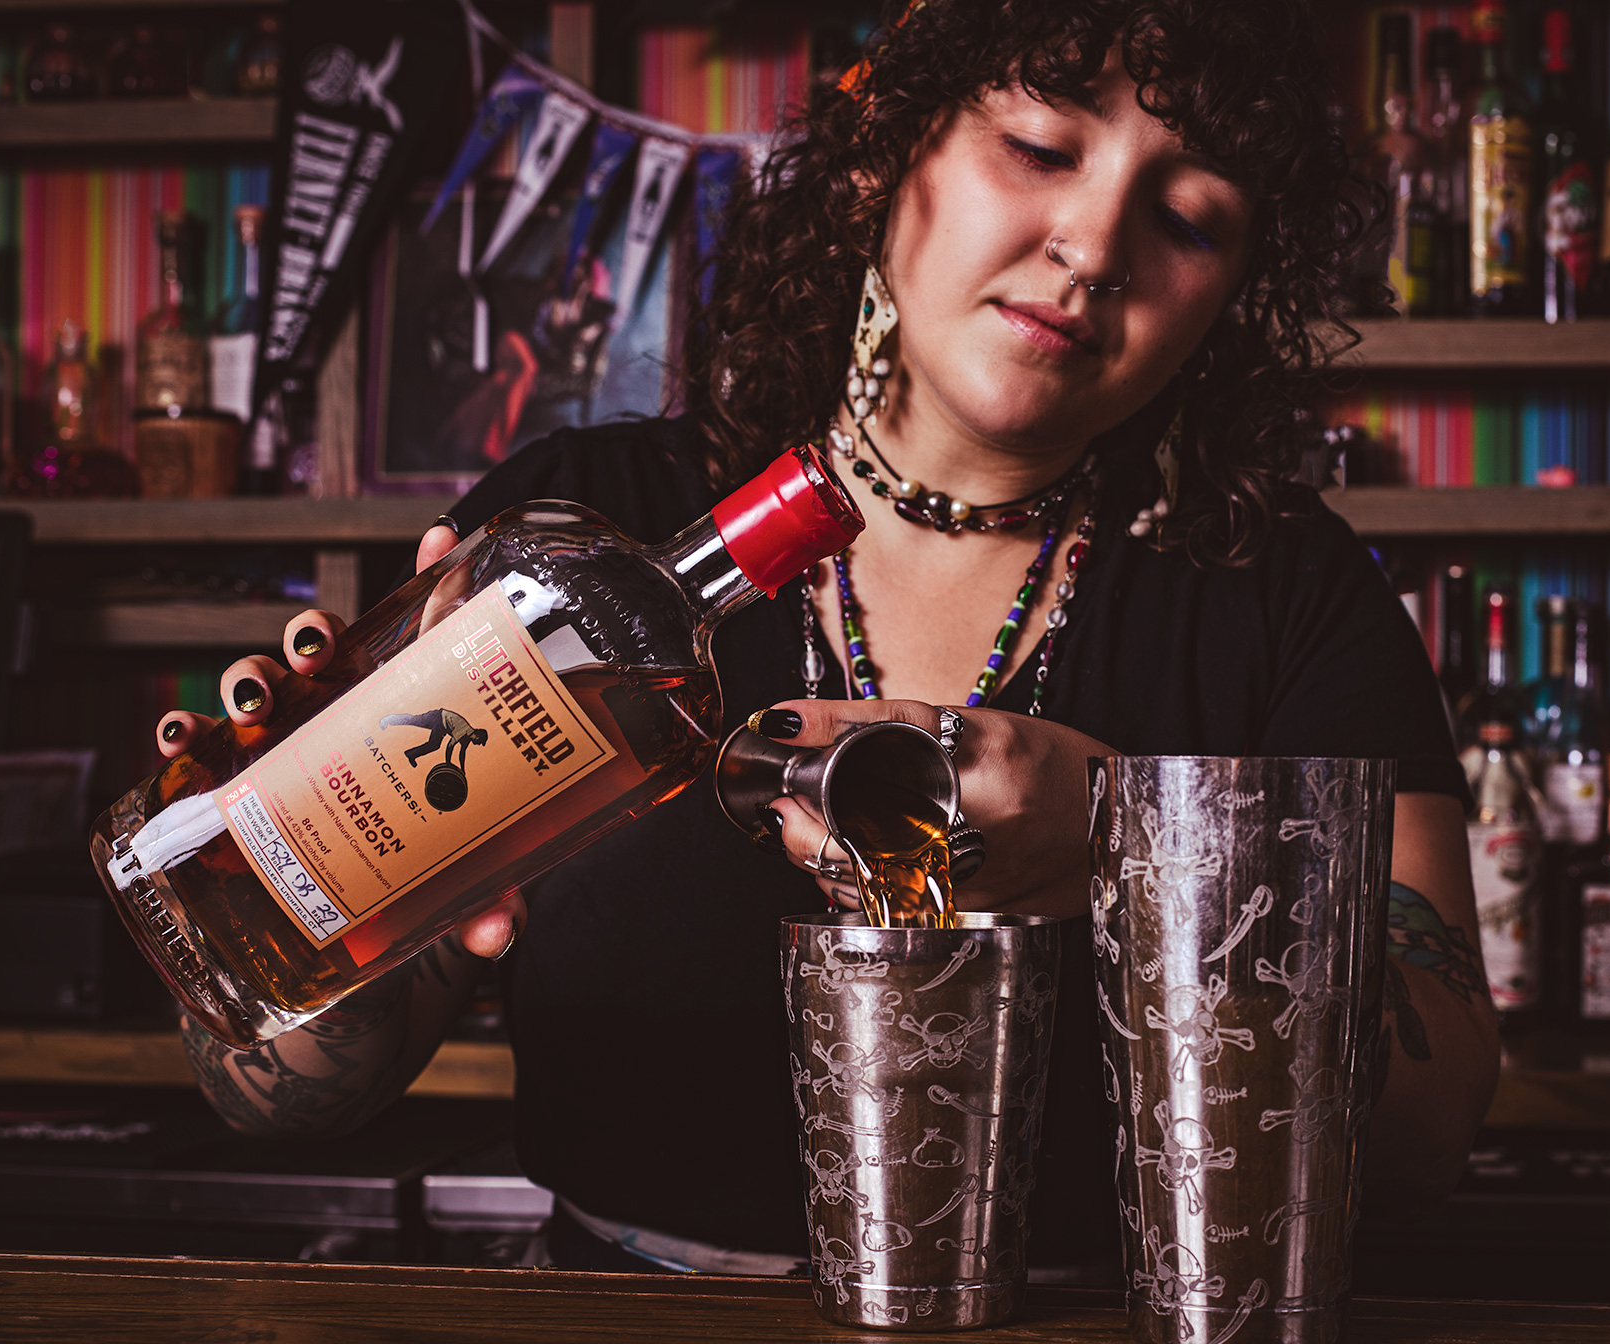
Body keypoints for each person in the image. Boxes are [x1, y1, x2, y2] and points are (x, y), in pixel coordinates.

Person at [158, 0, 1498, 1278]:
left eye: (1189, 217)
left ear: (1230, 297)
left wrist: (1130, 855)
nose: (1095, 246)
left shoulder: (1288, 593)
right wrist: (320, 879)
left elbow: (1427, 1146)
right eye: (1041, 147)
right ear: (883, 156)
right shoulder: (580, 536)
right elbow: (273, 1097)